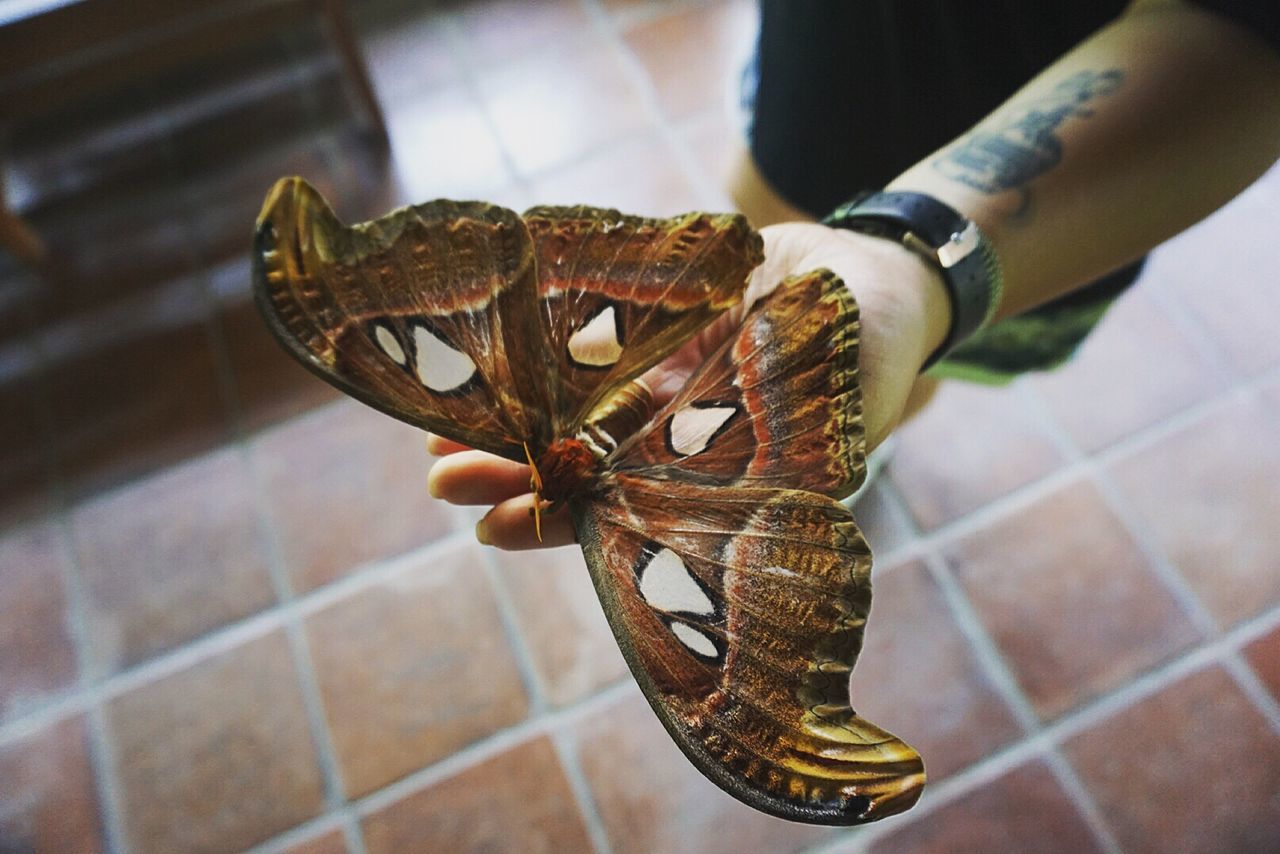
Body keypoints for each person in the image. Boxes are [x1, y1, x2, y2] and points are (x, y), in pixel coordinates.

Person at [427, 0, 1280, 550]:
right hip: (820, 75)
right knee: (779, 316)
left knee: (896, 360)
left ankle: (885, 428)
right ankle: (880, 430)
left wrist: (906, 272)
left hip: (1072, 193)